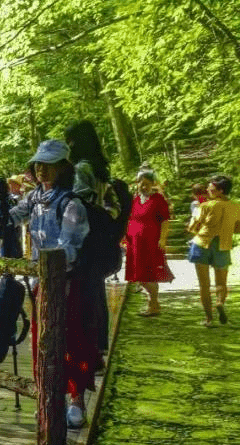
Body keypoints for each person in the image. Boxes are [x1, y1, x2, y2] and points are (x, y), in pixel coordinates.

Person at [9, 140, 93, 428]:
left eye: (49, 164)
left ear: (62, 167)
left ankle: (76, 399)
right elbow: (14, 217)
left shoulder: (71, 203)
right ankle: (47, 395)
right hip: (40, 282)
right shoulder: (34, 198)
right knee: (40, 341)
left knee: (71, 340)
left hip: (66, 282)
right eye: (38, 164)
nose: (42, 169)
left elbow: (70, 247)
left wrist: (48, 265)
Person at [65, 120, 117, 355]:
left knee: (84, 294)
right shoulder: (100, 169)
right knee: (95, 292)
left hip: (84, 240)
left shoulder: (82, 169)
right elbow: (111, 205)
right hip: (100, 237)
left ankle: (90, 350)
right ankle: (99, 346)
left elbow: (76, 205)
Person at [186, 174, 240, 326]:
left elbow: (192, 227)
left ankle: (209, 319)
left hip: (202, 244)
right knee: (221, 282)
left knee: (204, 285)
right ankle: (220, 302)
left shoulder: (204, 206)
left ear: (220, 190)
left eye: (211, 187)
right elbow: (238, 228)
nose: (208, 188)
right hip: (223, 244)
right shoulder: (236, 206)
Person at [124, 169, 171, 316]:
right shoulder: (135, 200)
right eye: (141, 184)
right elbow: (129, 219)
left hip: (150, 241)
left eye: (147, 184)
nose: (144, 187)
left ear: (152, 184)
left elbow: (165, 221)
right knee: (139, 274)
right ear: (137, 184)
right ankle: (153, 304)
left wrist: (163, 239)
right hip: (134, 242)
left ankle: (154, 303)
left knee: (148, 274)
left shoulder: (158, 199)